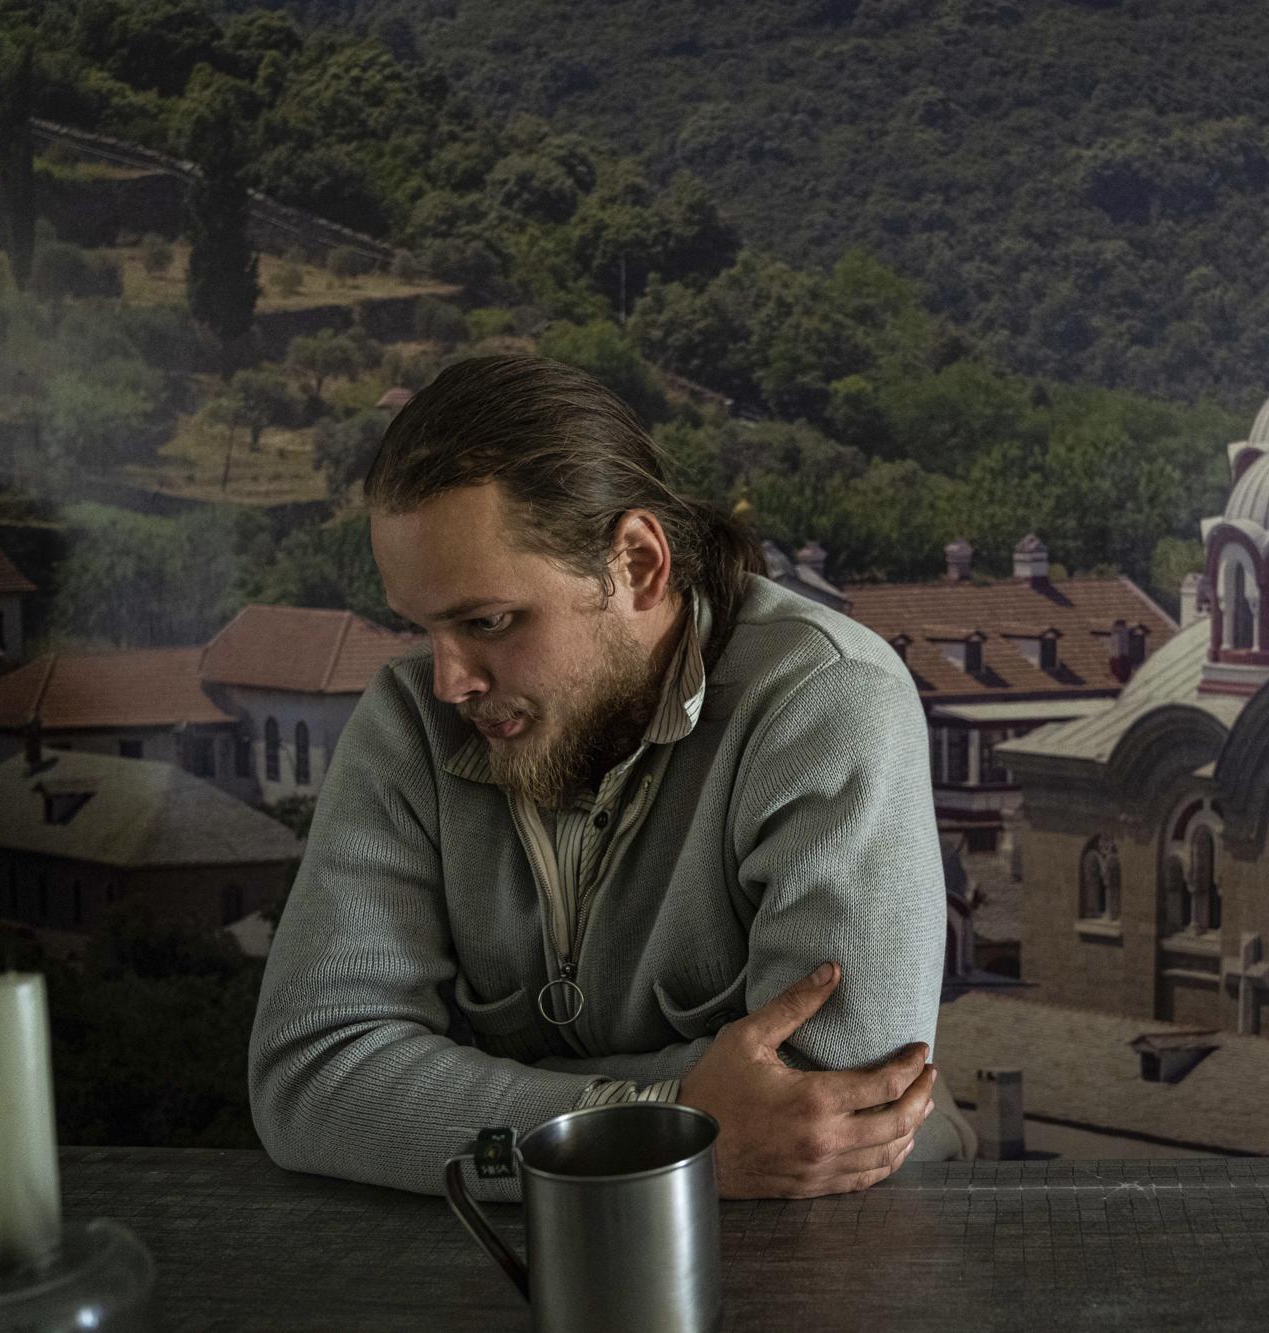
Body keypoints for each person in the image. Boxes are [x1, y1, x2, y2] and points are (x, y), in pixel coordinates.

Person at [248, 354, 967, 1201]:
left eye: (487, 621)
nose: (449, 682)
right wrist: (658, 1113)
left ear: (636, 563)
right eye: (424, 628)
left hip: (847, 1250)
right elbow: (313, 1077)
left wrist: (460, 1088)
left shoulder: (831, 697)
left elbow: (826, 1099)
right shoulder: (408, 723)